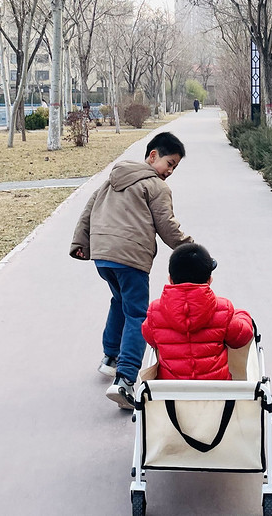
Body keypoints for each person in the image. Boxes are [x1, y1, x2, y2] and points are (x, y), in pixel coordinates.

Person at [70, 131, 194, 408]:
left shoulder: (113, 179)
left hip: (103, 258)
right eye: (169, 163)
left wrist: (80, 243)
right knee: (138, 313)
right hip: (131, 258)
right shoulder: (156, 187)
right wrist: (191, 250)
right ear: (152, 156)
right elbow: (167, 226)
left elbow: (88, 210)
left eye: (175, 167)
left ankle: (110, 357)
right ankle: (125, 380)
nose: (170, 171)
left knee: (120, 301)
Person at [141, 243, 254, 380]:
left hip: (171, 394)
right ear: (209, 280)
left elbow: (151, 338)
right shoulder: (223, 309)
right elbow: (241, 337)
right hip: (217, 394)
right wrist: (242, 314)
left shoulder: (155, 311)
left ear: (170, 279)